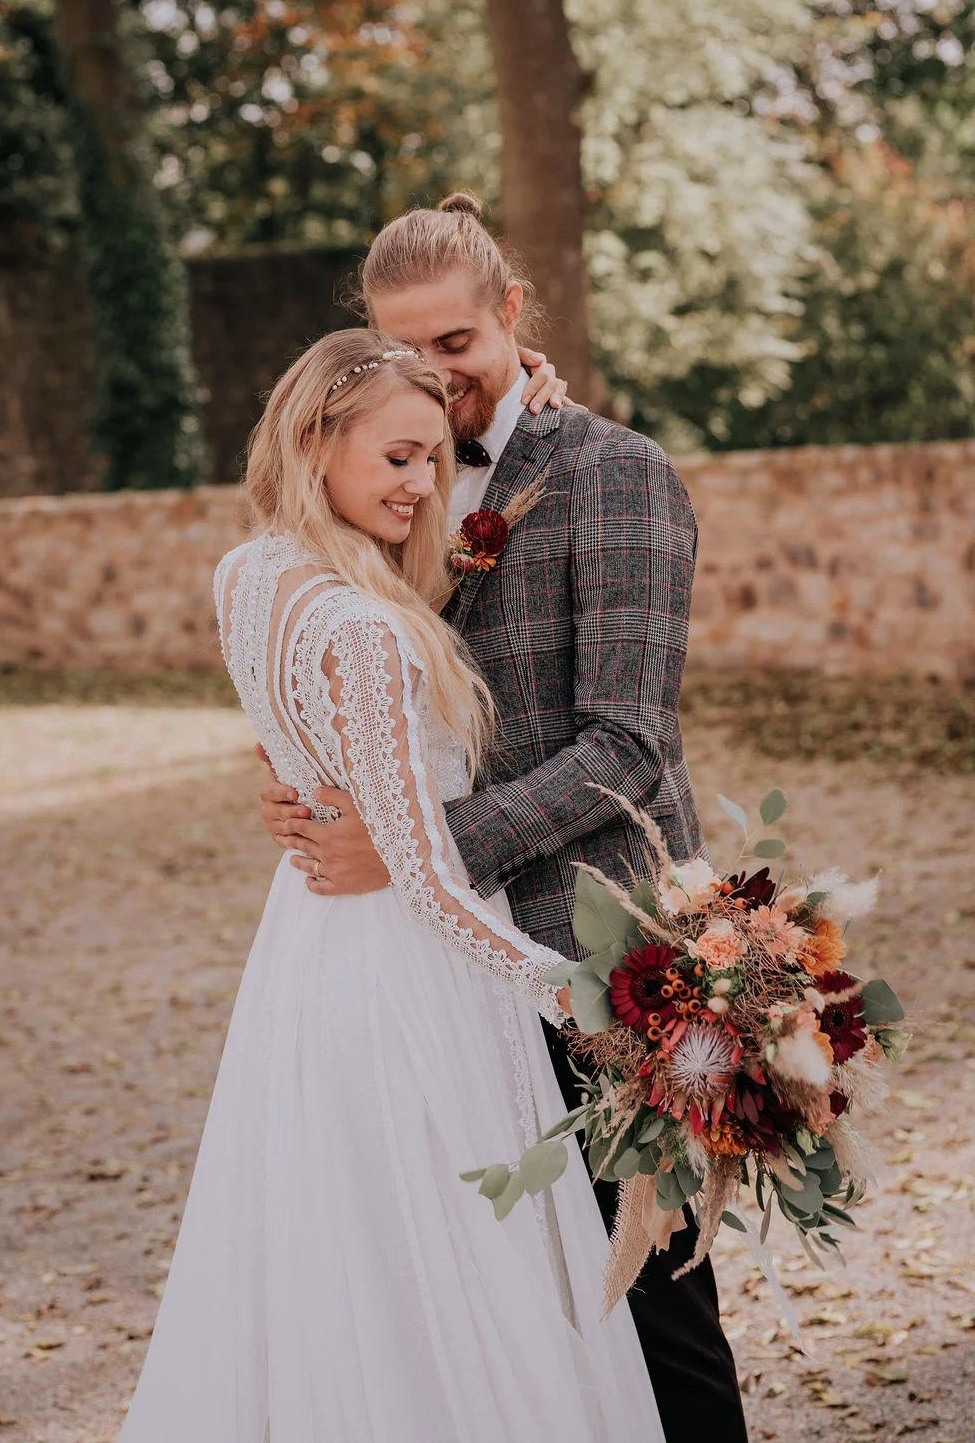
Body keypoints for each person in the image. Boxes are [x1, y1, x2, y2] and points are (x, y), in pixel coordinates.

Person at [259, 192, 749, 1443]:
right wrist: (317, 782)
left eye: (457, 344)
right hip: (439, 980)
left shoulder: (615, 473)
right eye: (400, 350)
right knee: (504, 1314)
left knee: (646, 1298)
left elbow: (630, 744)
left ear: (513, 317)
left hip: (594, 954)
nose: (431, 375)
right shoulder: (389, 474)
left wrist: (423, 849)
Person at [118, 327, 665, 1441]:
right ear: (317, 441)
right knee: (455, 1260)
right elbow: (425, 878)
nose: (423, 487)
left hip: (307, 955)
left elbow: (295, 771)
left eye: (435, 459)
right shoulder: (365, 628)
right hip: (416, 975)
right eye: (398, 458)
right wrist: (577, 993)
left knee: (337, 1252)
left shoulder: (248, 574)